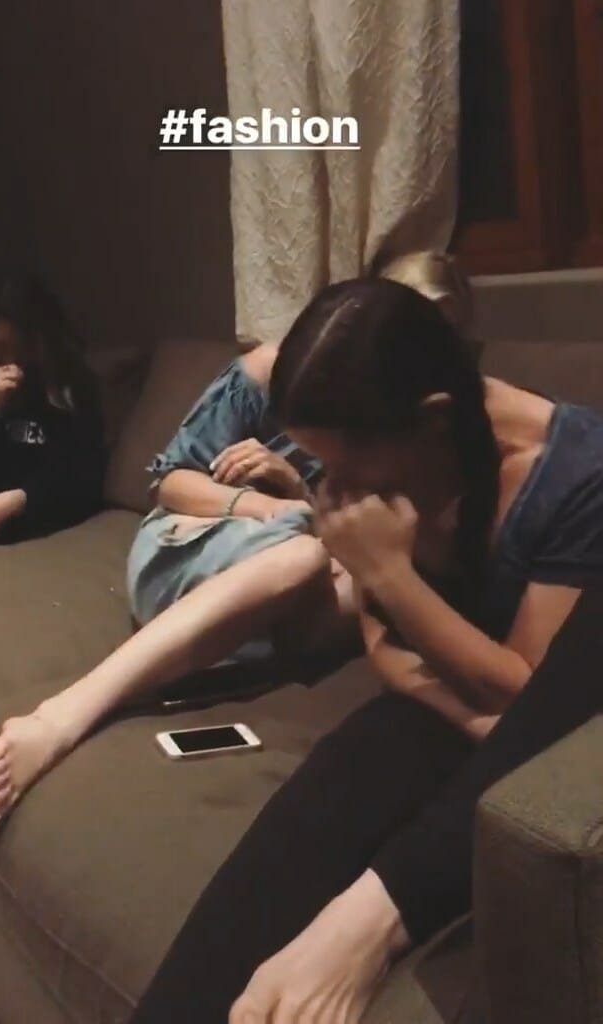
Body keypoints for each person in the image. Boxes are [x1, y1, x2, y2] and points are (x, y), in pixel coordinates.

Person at [128, 278, 603, 1024]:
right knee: (335, 786)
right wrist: (449, 692)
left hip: (514, 721)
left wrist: (386, 572)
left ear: (431, 420)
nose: (332, 493)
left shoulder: (576, 475)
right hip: (445, 709)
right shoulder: (402, 454)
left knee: (407, 766)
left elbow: (526, 696)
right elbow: (389, 654)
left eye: (346, 467)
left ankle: (365, 928)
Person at [0, 256, 469, 828]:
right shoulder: (270, 373)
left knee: (359, 588)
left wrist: (297, 488)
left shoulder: (429, 424)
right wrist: (271, 506)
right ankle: (65, 714)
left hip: (305, 572)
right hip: (199, 539)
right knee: (304, 557)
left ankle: (209, 651)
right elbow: (169, 483)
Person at [0, 263, 104, 547]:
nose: (9, 360)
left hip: (27, 513)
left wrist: (14, 502)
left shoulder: (68, 381)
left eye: (16, 346)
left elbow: (82, 474)